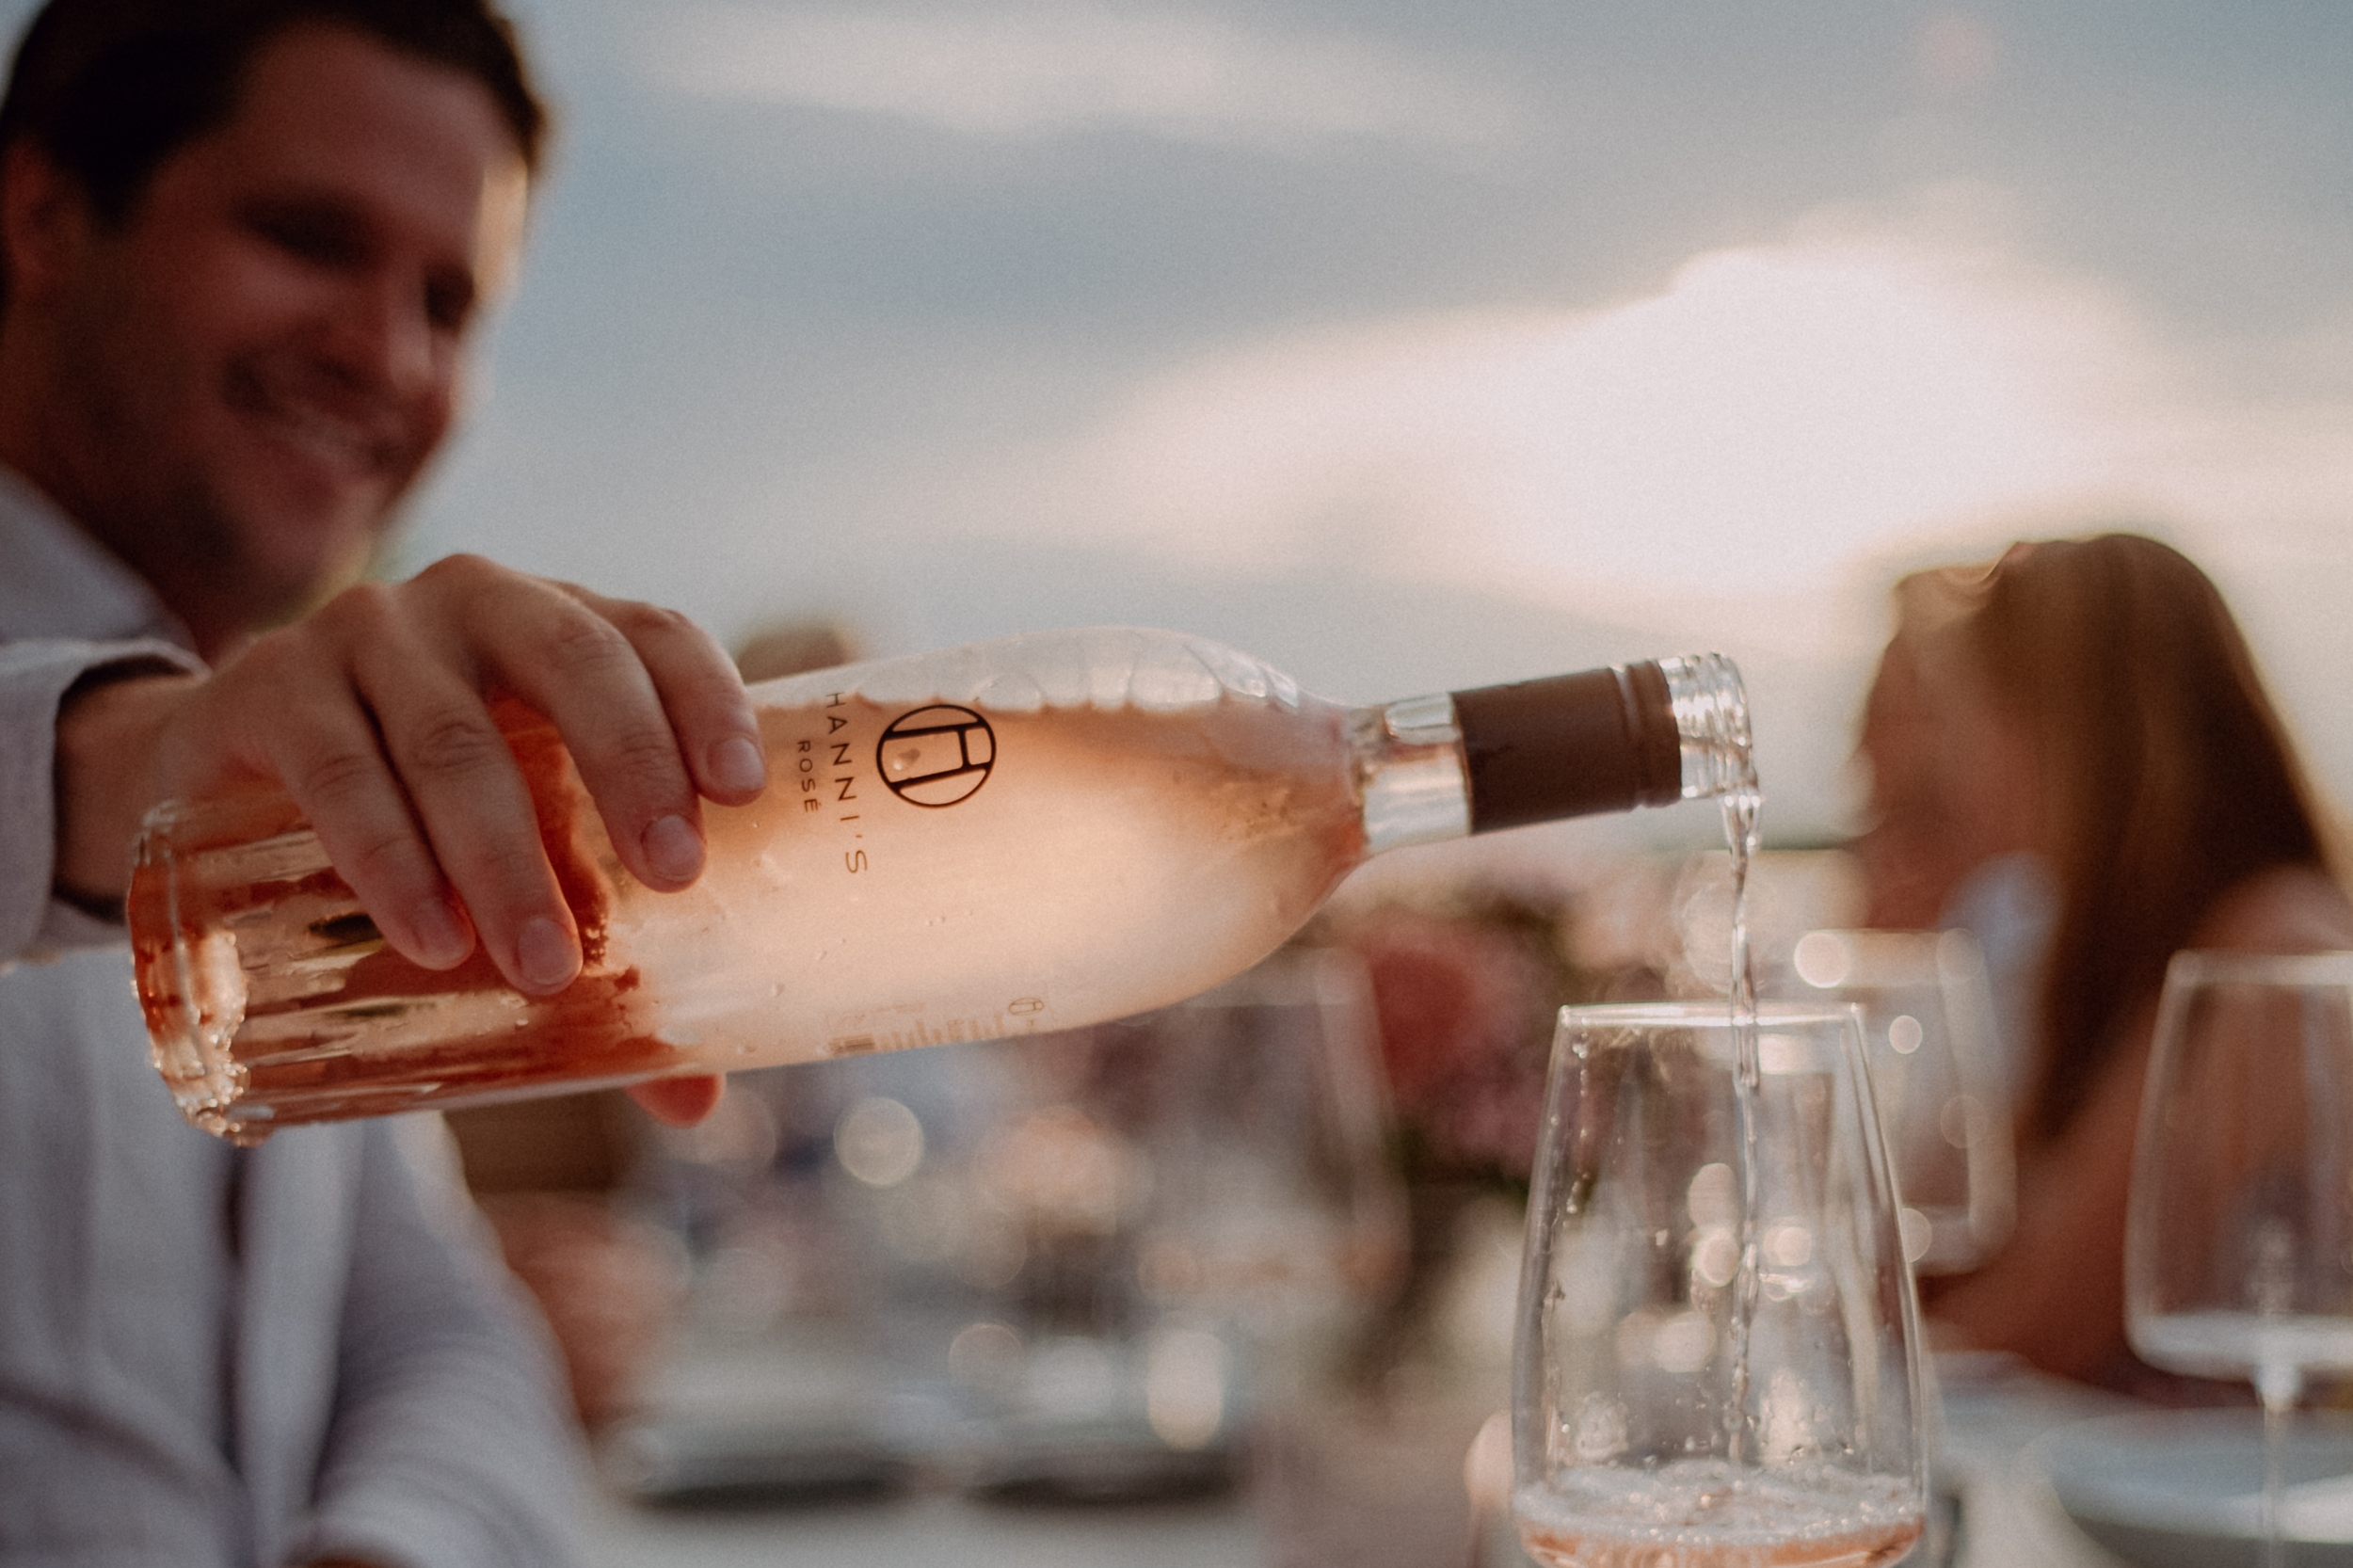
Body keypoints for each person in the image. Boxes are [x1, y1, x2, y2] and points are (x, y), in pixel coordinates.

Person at [0, 1, 752, 1560]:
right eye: (306, 237)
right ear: (41, 214)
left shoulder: (316, 772)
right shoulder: (227, 752)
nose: (386, 353)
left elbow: (441, 1336)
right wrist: (125, 772)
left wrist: (383, 1544)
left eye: (449, 301)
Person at [1851, 532, 2353, 1390]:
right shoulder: (2103, 950)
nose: (1952, 759)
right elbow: (1958, 1248)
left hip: (2256, 1500)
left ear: (2073, 728)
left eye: (1972, 714)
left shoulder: (2269, 951)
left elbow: (2040, 1318)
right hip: (2149, 1497)